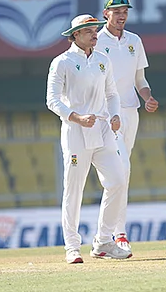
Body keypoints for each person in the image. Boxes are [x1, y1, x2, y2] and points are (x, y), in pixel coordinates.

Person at [46, 15, 131, 264]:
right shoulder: (62, 62)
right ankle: (72, 247)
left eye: (95, 30)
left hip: (103, 130)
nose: (95, 34)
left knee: (117, 181)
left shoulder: (103, 60)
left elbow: (112, 93)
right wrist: (76, 117)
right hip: (76, 131)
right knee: (74, 190)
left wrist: (115, 115)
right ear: (75, 35)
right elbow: (52, 100)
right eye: (88, 31)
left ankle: (104, 241)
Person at [96, 0, 159, 254]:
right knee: (121, 169)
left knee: (125, 171)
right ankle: (117, 233)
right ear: (105, 14)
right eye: (117, 11)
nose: (122, 15)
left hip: (131, 111)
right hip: (108, 113)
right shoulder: (96, 40)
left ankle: (112, 232)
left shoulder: (134, 41)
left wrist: (148, 97)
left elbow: (139, 79)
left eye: (125, 11)